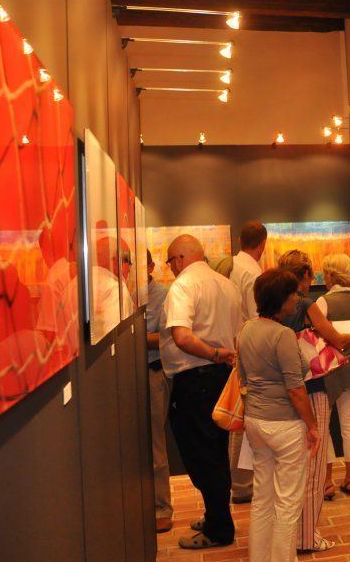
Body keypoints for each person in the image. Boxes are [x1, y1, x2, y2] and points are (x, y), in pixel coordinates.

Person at [160, 234, 244, 550]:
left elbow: (182, 337)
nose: (171, 268)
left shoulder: (183, 285)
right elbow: (238, 332)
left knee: (201, 455)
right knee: (216, 450)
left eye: (170, 261)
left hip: (195, 380)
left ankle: (219, 528)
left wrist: (213, 353)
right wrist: (221, 356)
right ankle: (216, 516)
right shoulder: (227, 285)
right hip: (221, 378)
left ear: (180, 258)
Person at [277, 250, 350, 554]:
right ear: (305, 276)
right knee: (312, 467)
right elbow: (336, 338)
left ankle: (286, 533)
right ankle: (306, 536)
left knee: (287, 468)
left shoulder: (273, 305)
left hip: (282, 391)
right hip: (312, 387)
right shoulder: (306, 305)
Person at [237, 269, 321, 562]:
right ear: (282, 298)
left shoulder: (246, 329)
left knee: (262, 499)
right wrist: (313, 426)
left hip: (255, 421)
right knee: (287, 504)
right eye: (294, 294)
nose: (297, 299)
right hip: (284, 425)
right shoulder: (282, 334)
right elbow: (295, 388)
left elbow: (243, 377)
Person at [316, 253, 350, 500]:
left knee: (323, 426)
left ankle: (327, 481)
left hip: (328, 368)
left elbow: (318, 336)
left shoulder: (323, 302)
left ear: (330, 274)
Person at [229, 221, 268, 503]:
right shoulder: (252, 272)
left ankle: (241, 482)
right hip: (250, 350)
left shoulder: (232, 265)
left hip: (235, 345)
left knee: (239, 417)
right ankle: (243, 484)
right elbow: (258, 318)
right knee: (245, 419)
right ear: (262, 244)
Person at [144, 250, 173, 533]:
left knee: (155, 442)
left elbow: (166, 337)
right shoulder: (121, 292)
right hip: (122, 379)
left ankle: (161, 507)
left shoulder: (163, 295)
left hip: (152, 373)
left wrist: (130, 337)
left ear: (151, 266)